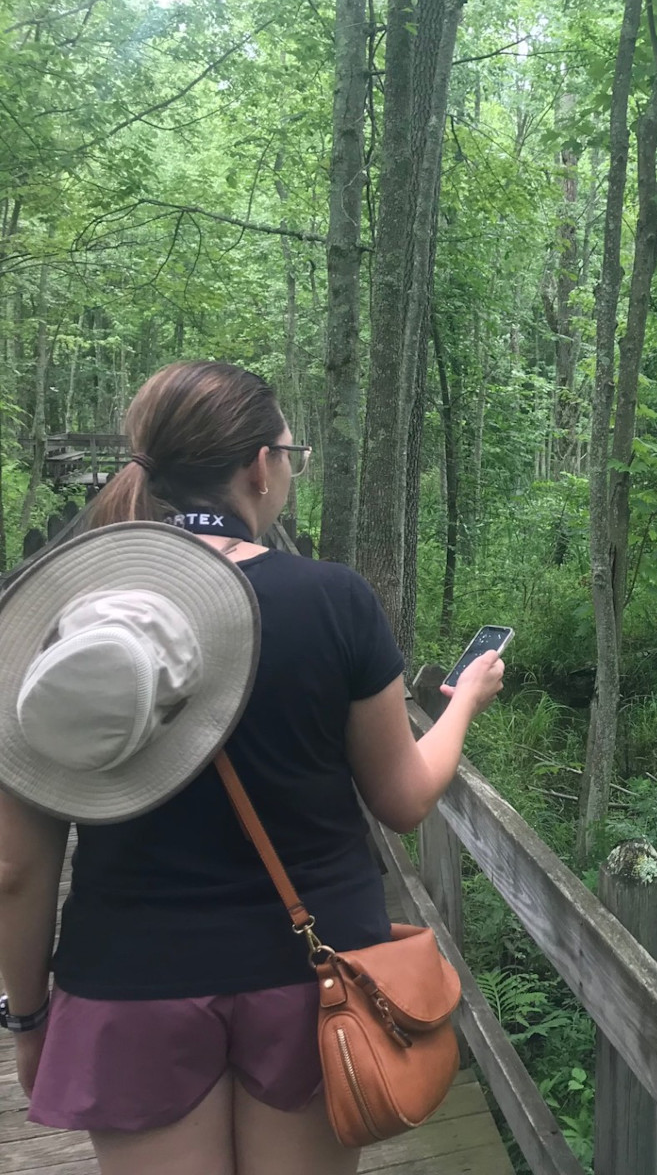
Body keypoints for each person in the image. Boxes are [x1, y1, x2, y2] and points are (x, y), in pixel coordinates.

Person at [0, 361, 503, 1175]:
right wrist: (465, 702)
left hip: (129, 980)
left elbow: (17, 867)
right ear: (260, 467)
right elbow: (403, 797)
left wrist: (27, 1021)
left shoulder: (57, 628)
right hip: (312, 977)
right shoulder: (333, 601)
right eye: (289, 454)